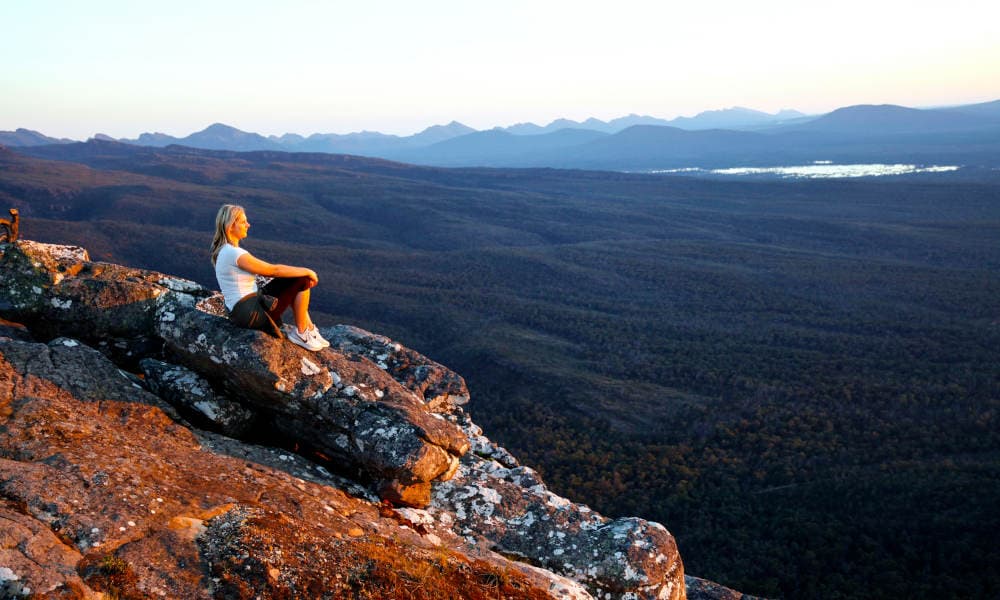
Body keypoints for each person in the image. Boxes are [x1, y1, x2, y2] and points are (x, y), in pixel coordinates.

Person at [211, 204, 329, 351]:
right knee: (302, 280)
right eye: (243, 222)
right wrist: (308, 271)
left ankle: (309, 329)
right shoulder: (234, 254)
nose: (248, 225)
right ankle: (302, 332)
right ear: (230, 226)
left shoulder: (226, 251)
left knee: (296, 280)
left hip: (242, 310)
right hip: (250, 313)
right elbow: (272, 270)